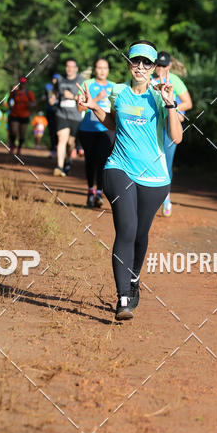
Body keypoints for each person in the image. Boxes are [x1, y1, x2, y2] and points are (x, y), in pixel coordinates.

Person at [78, 40, 182, 321]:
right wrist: (93, 107)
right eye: (136, 61)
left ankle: (134, 277)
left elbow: (176, 137)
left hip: (154, 177)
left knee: (140, 233)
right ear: (128, 63)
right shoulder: (118, 91)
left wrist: (170, 104)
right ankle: (123, 298)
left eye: (147, 62)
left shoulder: (160, 95)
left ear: (154, 67)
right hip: (119, 167)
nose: (141, 66)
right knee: (126, 229)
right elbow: (113, 123)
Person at [152, 51, 192, 215]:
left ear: (169, 66)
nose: (160, 68)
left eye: (163, 65)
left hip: (169, 127)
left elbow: (188, 103)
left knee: (166, 164)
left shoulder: (174, 80)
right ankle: (150, 197)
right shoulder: (148, 80)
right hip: (151, 127)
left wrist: (171, 108)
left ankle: (166, 197)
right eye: (158, 65)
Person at [78, 58, 116, 207]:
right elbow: (80, 108)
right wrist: (97, 98)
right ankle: (90, 190)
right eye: (99, 68)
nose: (102, 71)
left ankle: (99, 192)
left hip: (106, 129)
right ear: (95, 69)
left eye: (105, 68)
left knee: (103, 160)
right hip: (88, 129)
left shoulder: (114, 87)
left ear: (108, 70)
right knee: (90, 160)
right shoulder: (87, 84)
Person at [53, 59, 83, 176]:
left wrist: (73, 97)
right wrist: (53, 98)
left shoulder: (81, 80)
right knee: (61, 139)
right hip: (61, 114)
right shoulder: (60, 80)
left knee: (70, 143)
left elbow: (85, 98)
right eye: (67, 66)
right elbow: (55, 94)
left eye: (72, 66)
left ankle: (68, 161)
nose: (70, 69)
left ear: (76, 68)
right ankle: (59, 167)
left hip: (76, 116)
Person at [7, 77, 35, 157]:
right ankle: (13, 145)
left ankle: (19, 148)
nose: (22, 84)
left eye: (24, 83)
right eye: (21, 83)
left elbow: (34, 103)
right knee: (14, 131)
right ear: (19, 83)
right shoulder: (14, 92)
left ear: (26, 84)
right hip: (14, 114)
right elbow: (9, 100)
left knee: (22, 134)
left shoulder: (29, 93)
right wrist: (10, 106)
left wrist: (31, 105)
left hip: (25, 116)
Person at [45, 73, 61, 157]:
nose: (55, 80)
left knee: (59, 131)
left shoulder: (63, 87)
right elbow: (47, 98)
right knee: (52, 131)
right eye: (54, 78)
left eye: (57, 79)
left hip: (60, 112)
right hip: (50, 111)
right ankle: (53, 148)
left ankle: (59, 148)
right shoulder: (48, 87)